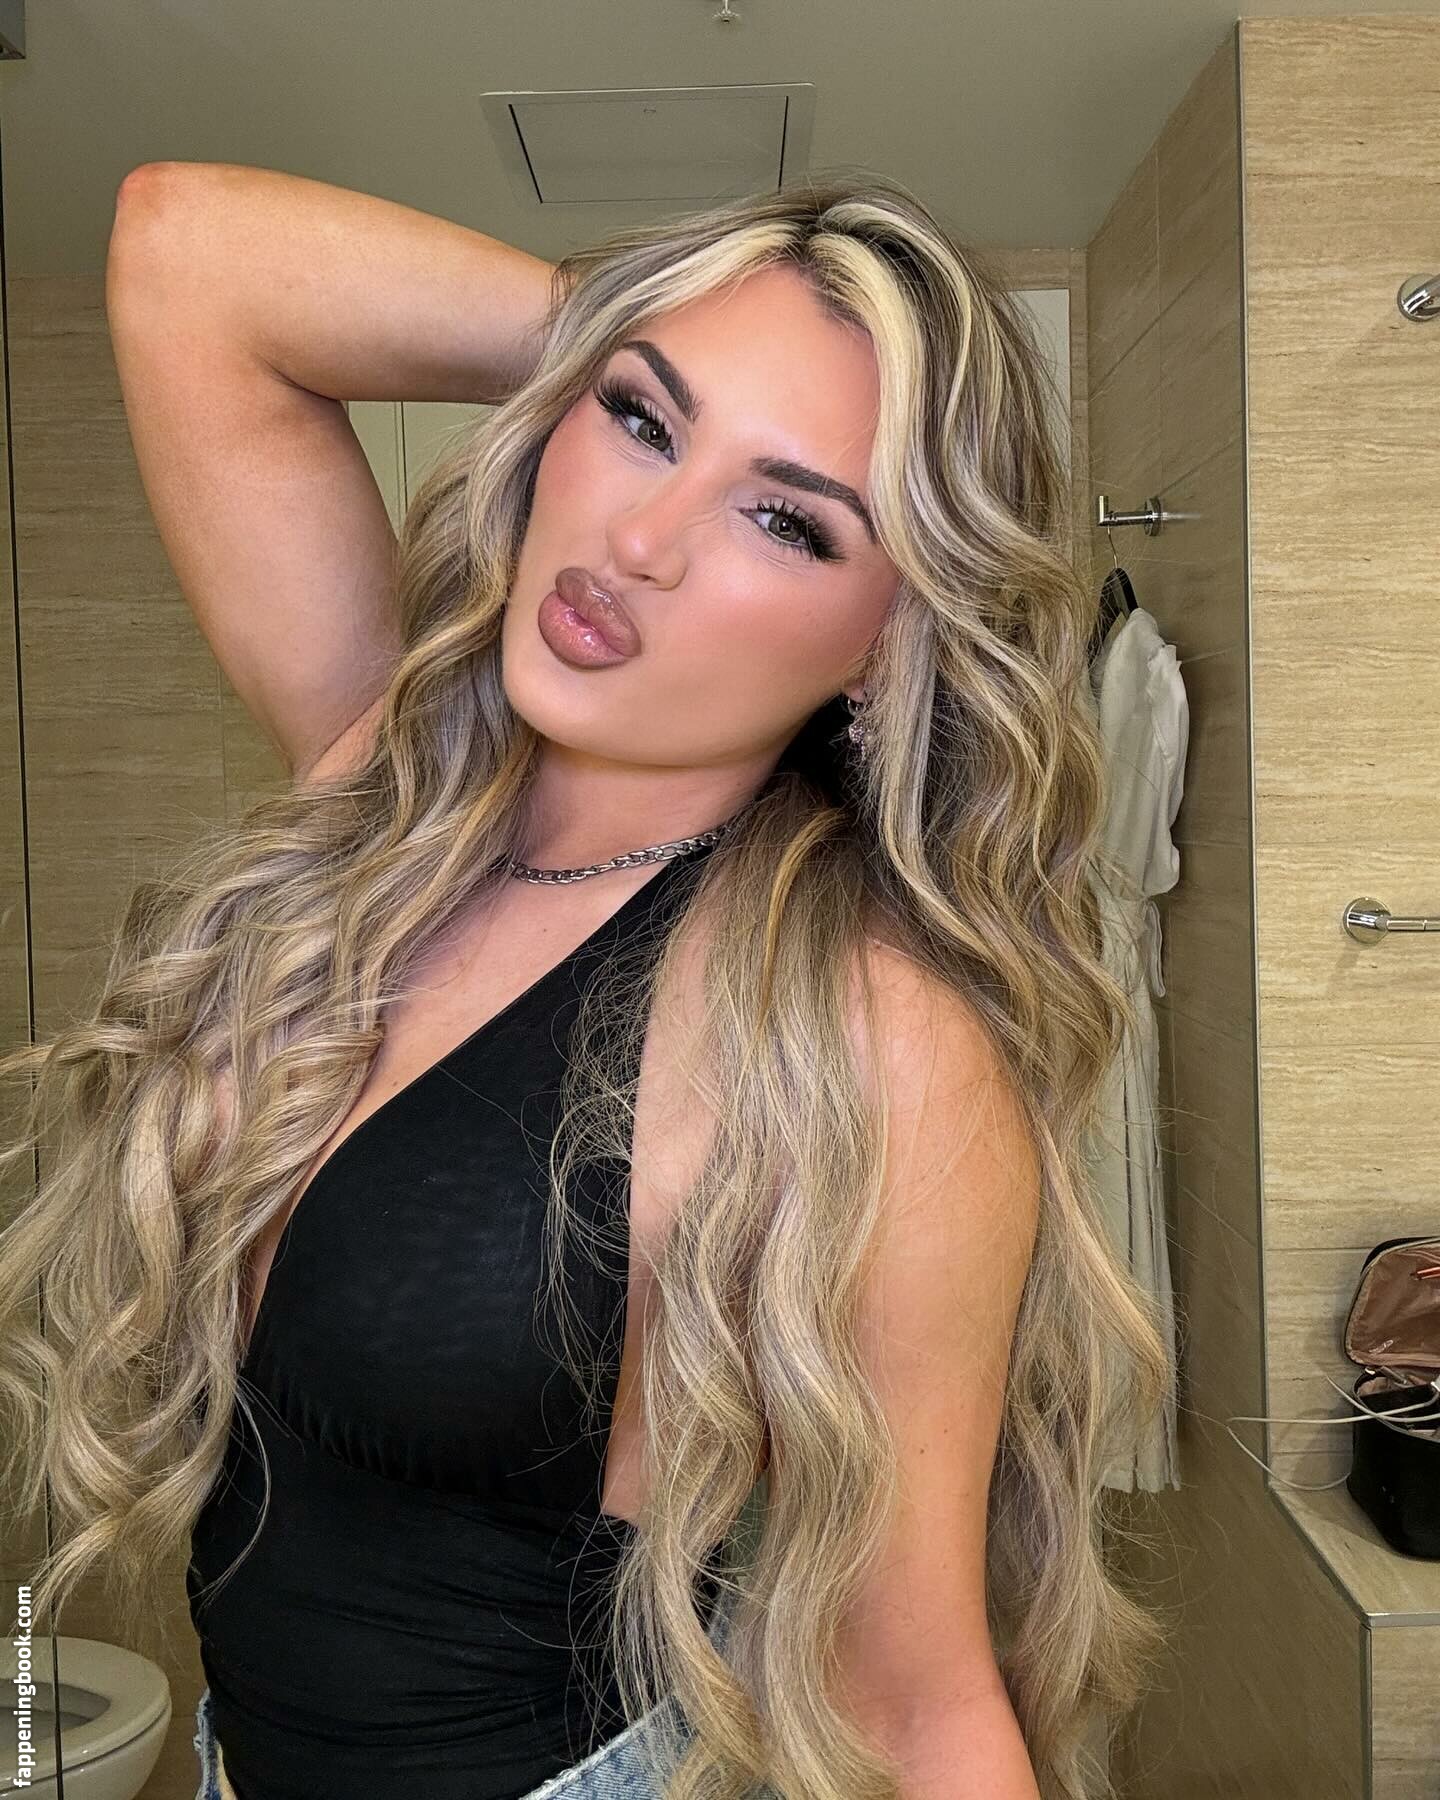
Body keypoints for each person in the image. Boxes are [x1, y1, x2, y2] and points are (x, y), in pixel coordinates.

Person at [0, 163, 1172, 1800]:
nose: (639, 541)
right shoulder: (388, 796)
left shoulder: (862, 1026)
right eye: (640, 420)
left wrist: (659, 372)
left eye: (786, 517)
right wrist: (629, 327)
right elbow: (185, 250)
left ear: (890, 640)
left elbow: (914, 1696)